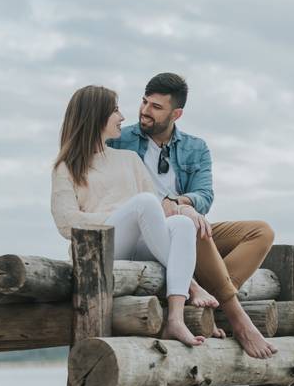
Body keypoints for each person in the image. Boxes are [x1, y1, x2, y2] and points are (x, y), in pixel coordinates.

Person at [108, 72, 278, 359]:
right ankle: (238, 318)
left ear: (177, 114)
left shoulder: (195, 147)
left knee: (261, 232)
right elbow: (111, 191)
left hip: (187, 230)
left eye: (156, 107)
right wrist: (177, 210)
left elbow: (204, 195)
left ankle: (210, 303)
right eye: (144, 102)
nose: (145, 112)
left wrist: (181, 202)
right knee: (188, 224)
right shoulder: (120, 140)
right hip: (147, 235)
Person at [50, 85, 211, 346]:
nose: (123, 117)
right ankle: (191, 284)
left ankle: (176, 319)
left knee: (181, 224)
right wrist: (124, 214)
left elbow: (156, 211)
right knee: (144, 202)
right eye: (115, 110)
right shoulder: (65, 167)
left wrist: (184, 208)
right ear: (96, 116)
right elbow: (66, 223)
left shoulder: (128, 159)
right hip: (99, 252)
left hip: (139, 245)